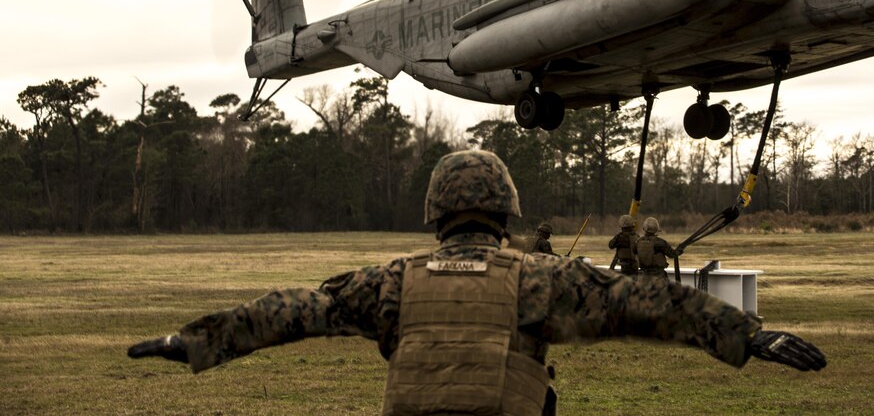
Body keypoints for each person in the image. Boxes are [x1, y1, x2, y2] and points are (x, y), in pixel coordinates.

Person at [127, 150, 826, 414]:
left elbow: (293, 310)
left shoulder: (390, 284)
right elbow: (650, 303)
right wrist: (752, 334)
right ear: (505, 211)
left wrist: (192, 340)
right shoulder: (541, 281)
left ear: (435, 213)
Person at [636, 216, 677, 280]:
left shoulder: (638, 241)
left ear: (644, 228)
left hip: (644, 277)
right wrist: (680, 250)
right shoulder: (660, 242)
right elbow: (672, 254)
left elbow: (634, 253)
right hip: (658, 277)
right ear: (656, 229)